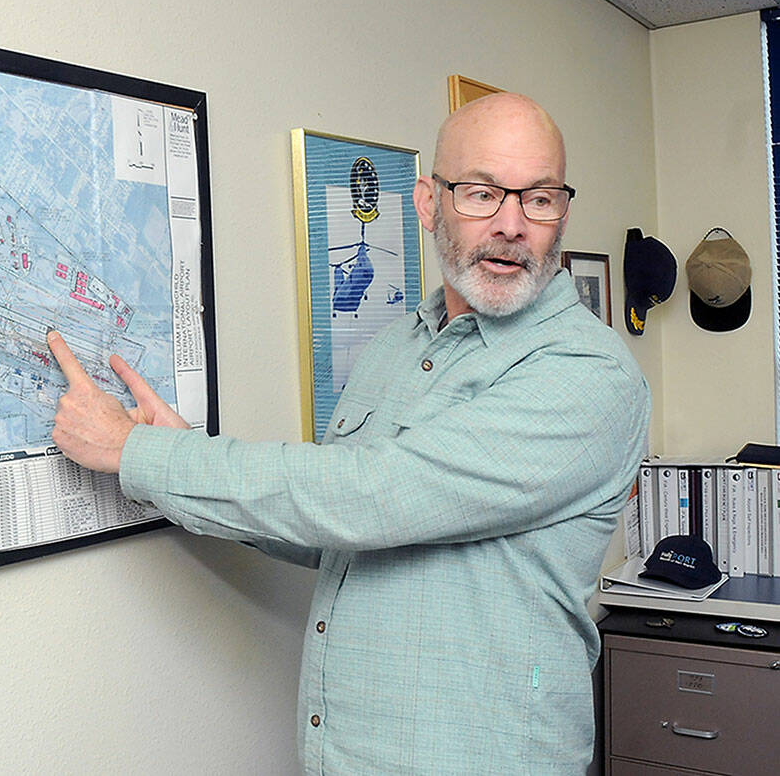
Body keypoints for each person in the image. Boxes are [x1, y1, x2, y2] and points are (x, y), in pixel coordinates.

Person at [47, 93, 649, 774]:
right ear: (427, 204)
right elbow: (331, 522)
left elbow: (370, 496)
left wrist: (139, 452)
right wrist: (174, 450)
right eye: (481, 193)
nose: (511, 225)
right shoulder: (395, 348)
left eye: (538, 200)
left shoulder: (588, 375)